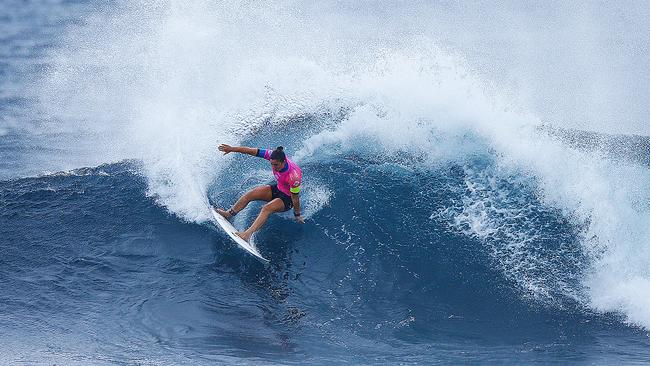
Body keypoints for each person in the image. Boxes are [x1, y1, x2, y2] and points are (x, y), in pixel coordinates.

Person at [215, 144, 304, 242]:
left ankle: (247, 235)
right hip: (278, 189)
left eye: (276, 165)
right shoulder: (272, 155)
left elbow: (295, 198)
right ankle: (228, 214)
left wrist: (297, 214)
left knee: (266, 208)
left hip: (288, 199)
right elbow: (250, 150)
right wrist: (232, 149)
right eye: (271, 164)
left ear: (284, 162)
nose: (273, 167)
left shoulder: (293, 176)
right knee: (250, 194)